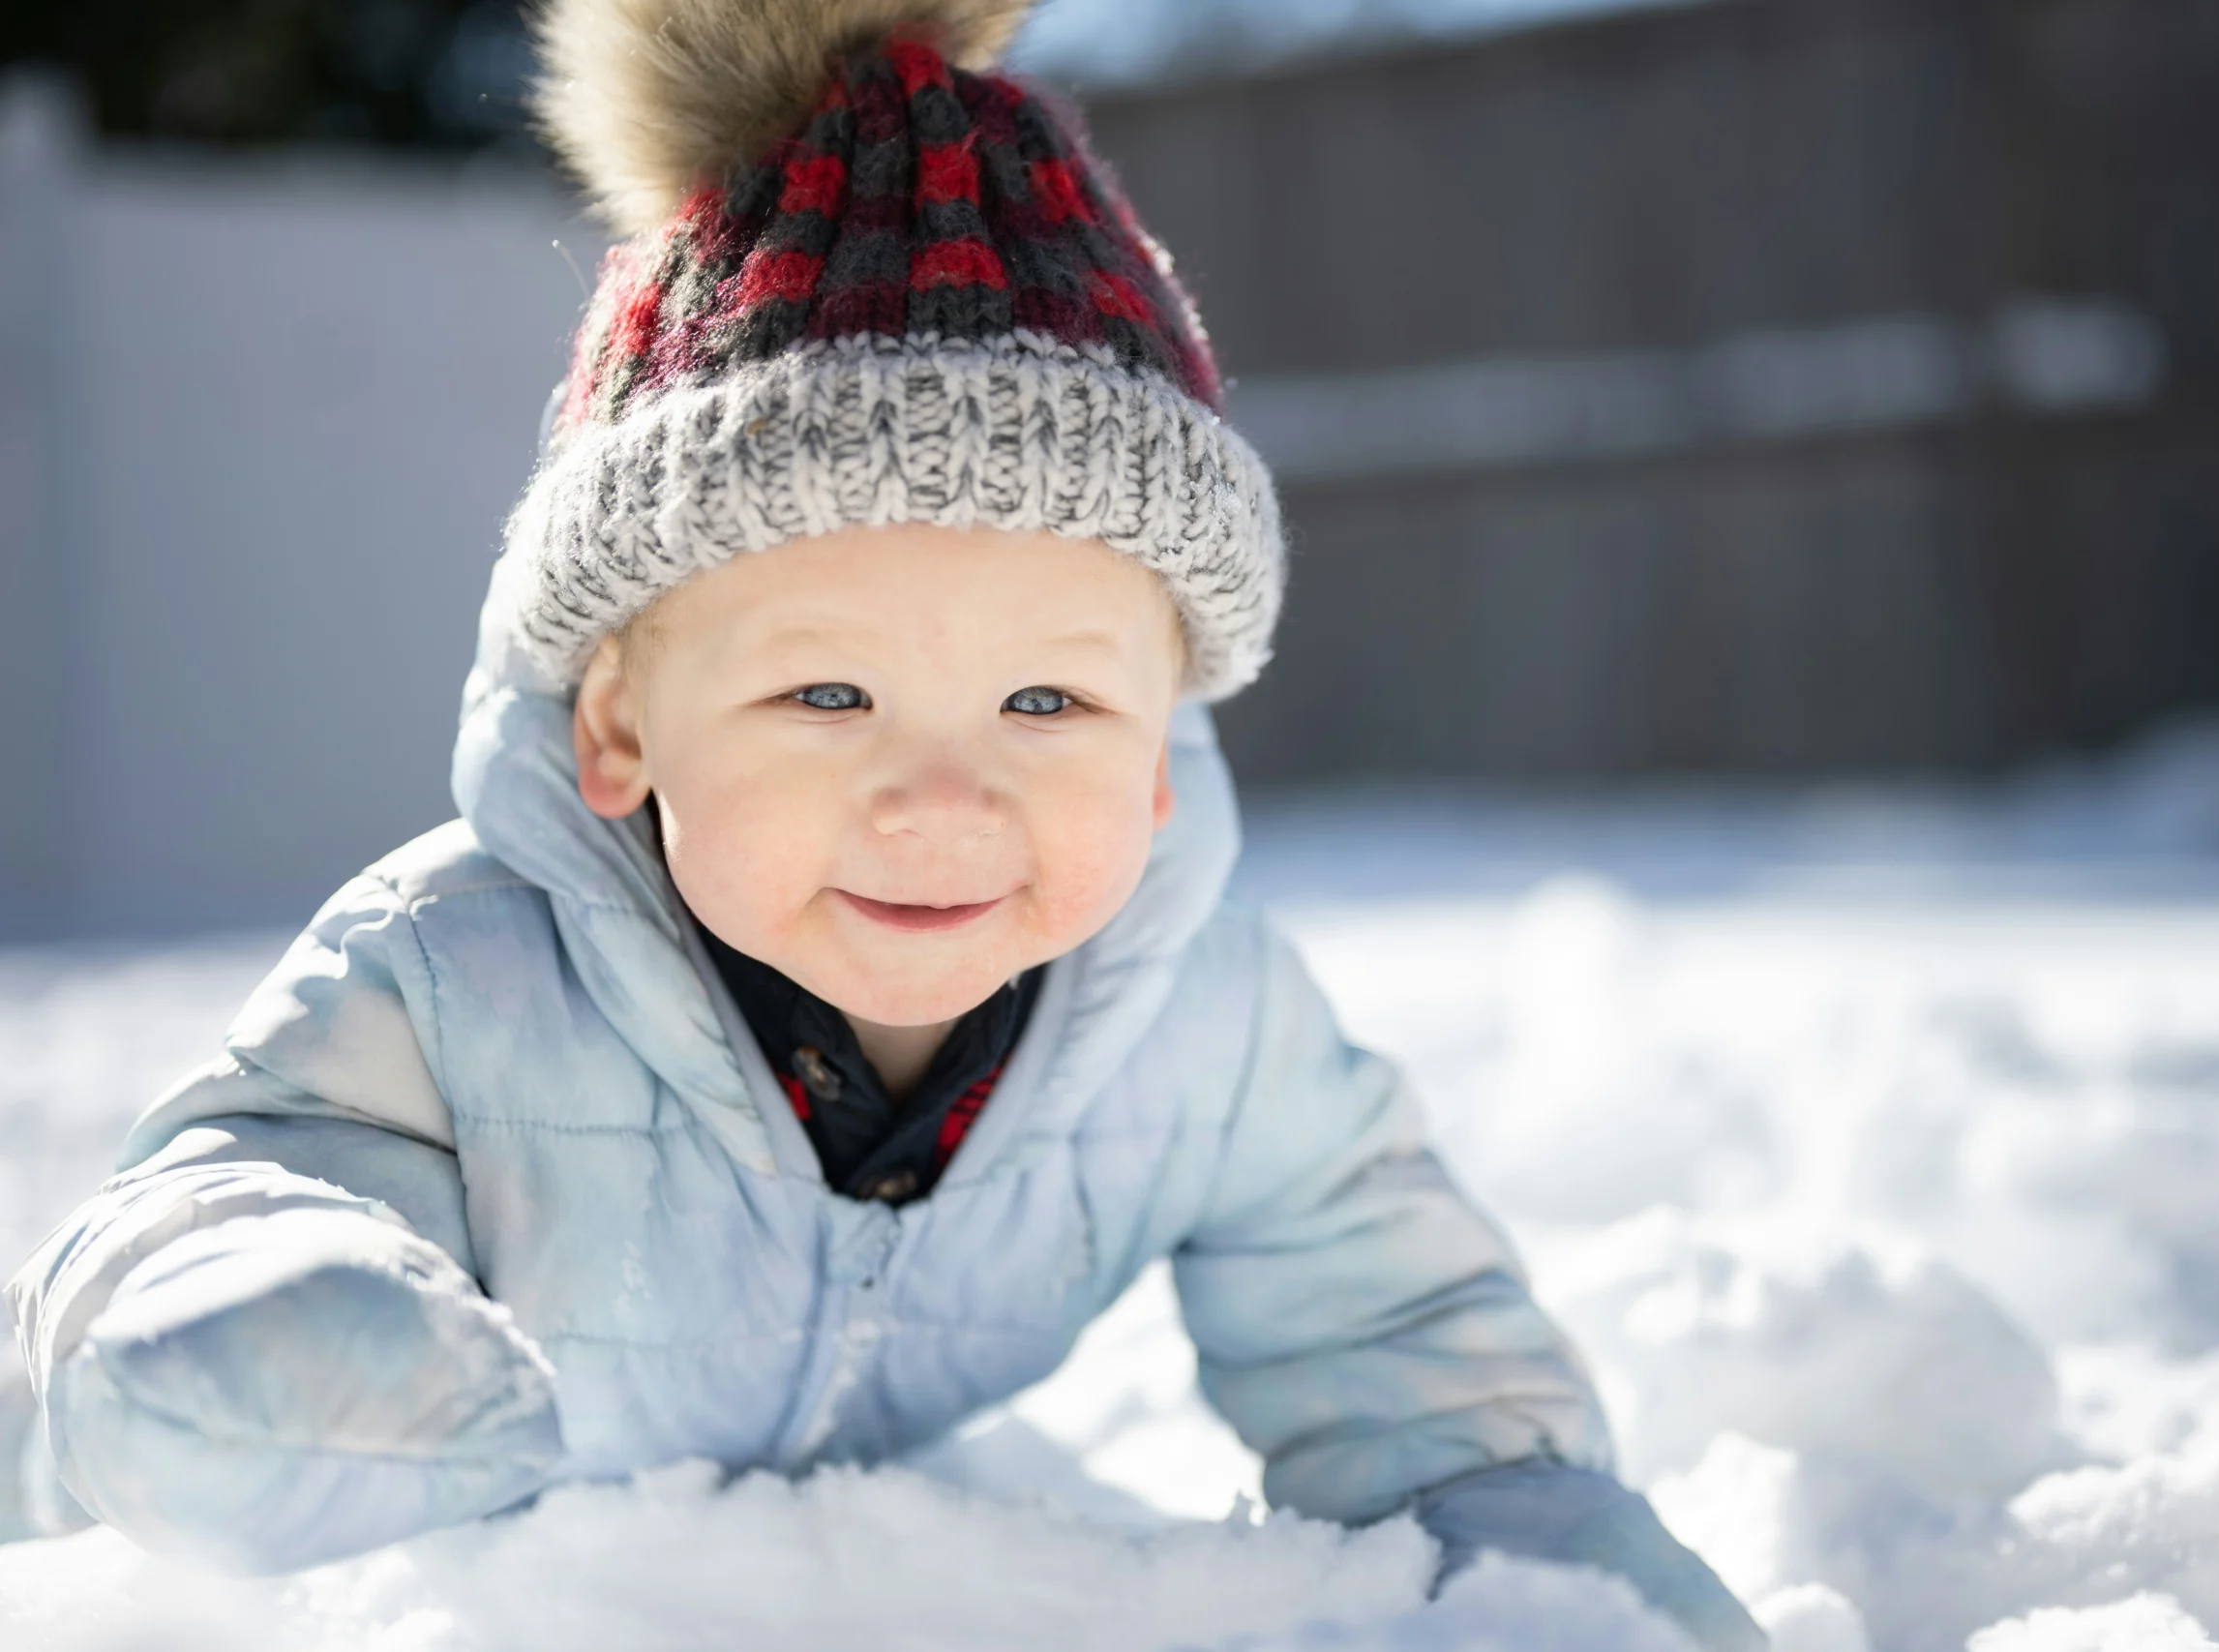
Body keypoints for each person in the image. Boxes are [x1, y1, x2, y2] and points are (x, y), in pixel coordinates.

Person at [8, 3, 1760, 1644]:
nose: (943, 794)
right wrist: (256, 1353)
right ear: (620, 722)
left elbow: (1380, 1303)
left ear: (1161, 758)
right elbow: (240, 1180)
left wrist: (1514, 1520)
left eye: (1050, 704)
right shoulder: (460, 978)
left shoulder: (1200, 1029)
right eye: (827, 696)